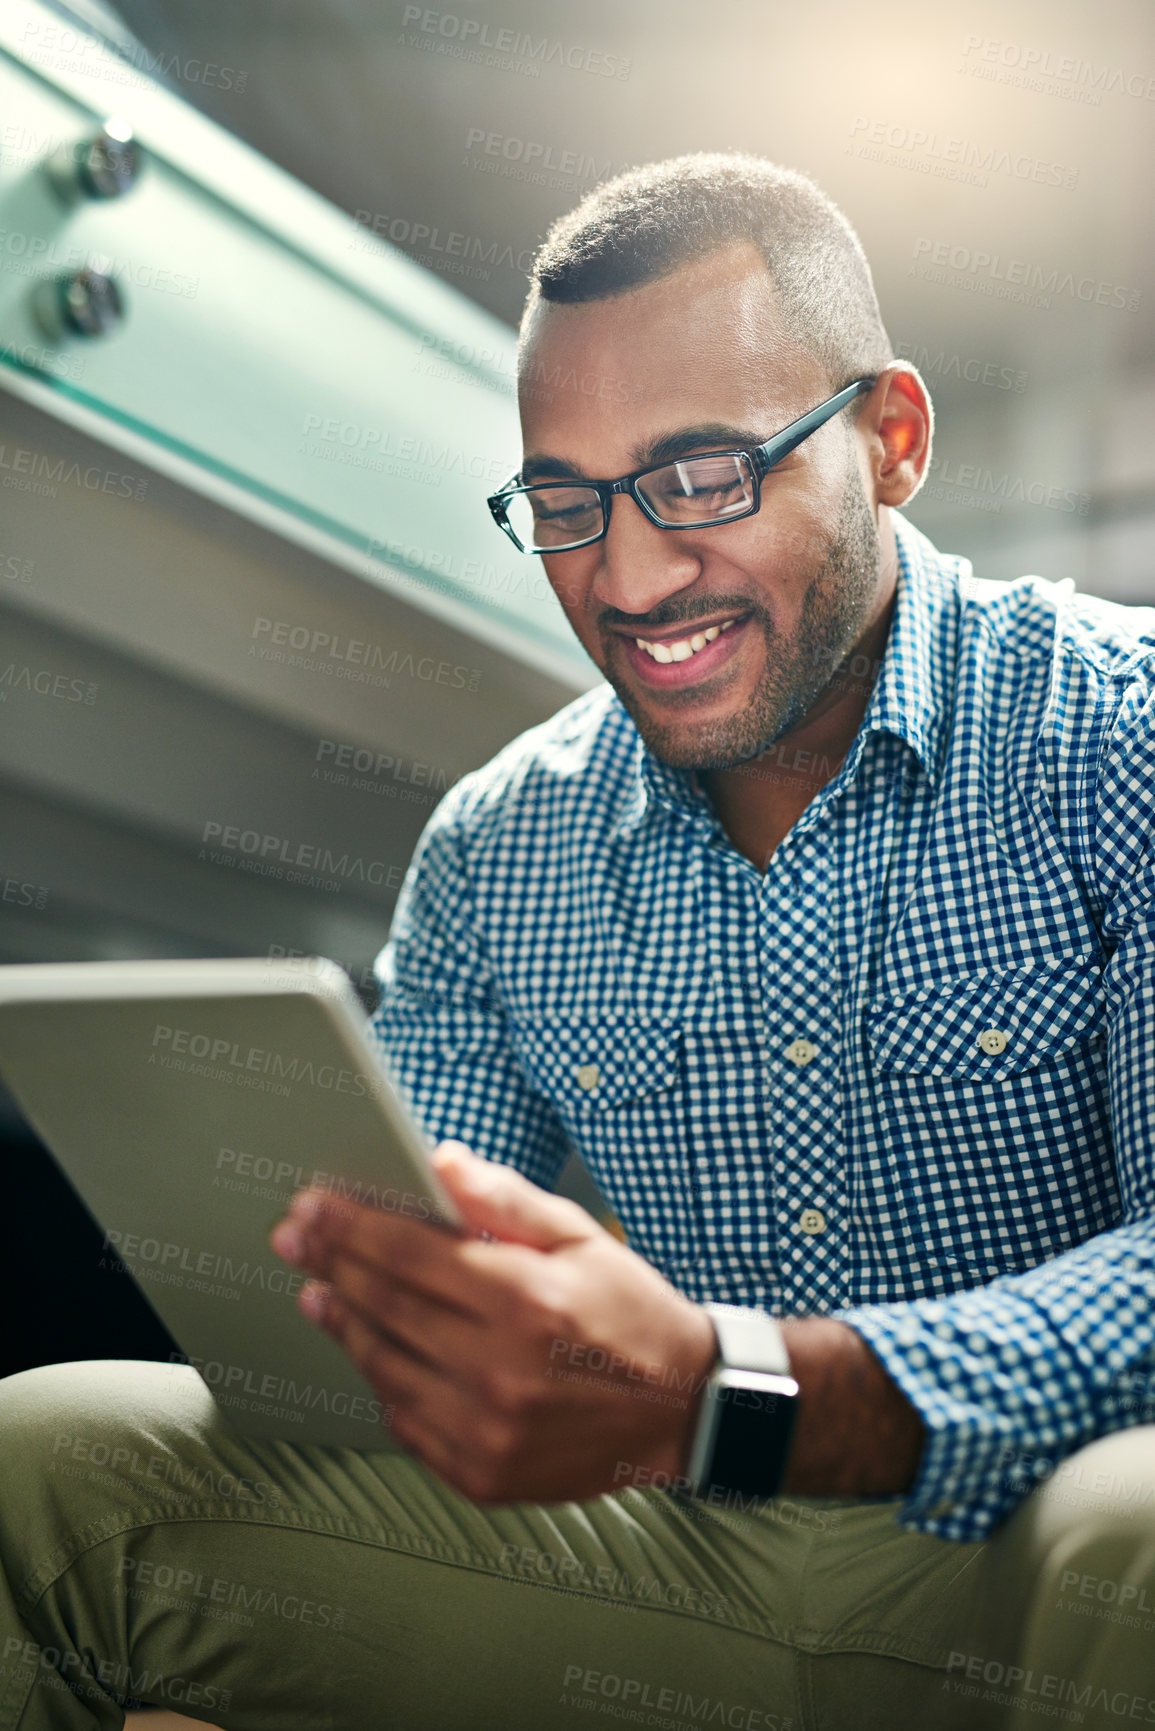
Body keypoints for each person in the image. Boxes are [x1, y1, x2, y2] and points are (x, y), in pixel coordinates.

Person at [1, 151, 1153, 1731]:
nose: (626, 576)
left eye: (700, 477)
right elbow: (388, 1349)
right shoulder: (496, 847)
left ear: (890, 441)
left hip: (1039, 1569)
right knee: (56, 1460)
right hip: (674, 1574)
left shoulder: (1122, 735)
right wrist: (424, 1345)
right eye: (564, 501)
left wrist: (726, 1393)